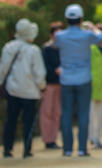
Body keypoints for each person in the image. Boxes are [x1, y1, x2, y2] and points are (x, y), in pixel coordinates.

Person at [54, 4, 102, 157]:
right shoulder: (87, 35)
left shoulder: (59, 36)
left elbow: (56, 46)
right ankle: (82, 149)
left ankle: (67, 149)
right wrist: (93, 28)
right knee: (83, 115)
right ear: (81, 19)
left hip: (66, 80)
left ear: (66, 19)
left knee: (67, 114)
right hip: (84, 79)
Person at [0, 19, 46, 158]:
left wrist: (1, 83)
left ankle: (7, 149)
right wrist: (42, 87)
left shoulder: (8, 47)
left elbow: (2, 69)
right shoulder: (33, 50)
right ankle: (27, 149)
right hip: (30, 92)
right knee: (28, 122)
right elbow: (39, 73)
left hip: (12, 90)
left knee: (11, 120)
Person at [40, 21, 63, 149]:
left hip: (60, 84)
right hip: (49, 84)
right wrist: (54, 71)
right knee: (47, 112)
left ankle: (53, 139)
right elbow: (44, 67)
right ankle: (47, 139)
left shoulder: (63, 49)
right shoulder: (46, 48)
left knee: (56, 113)